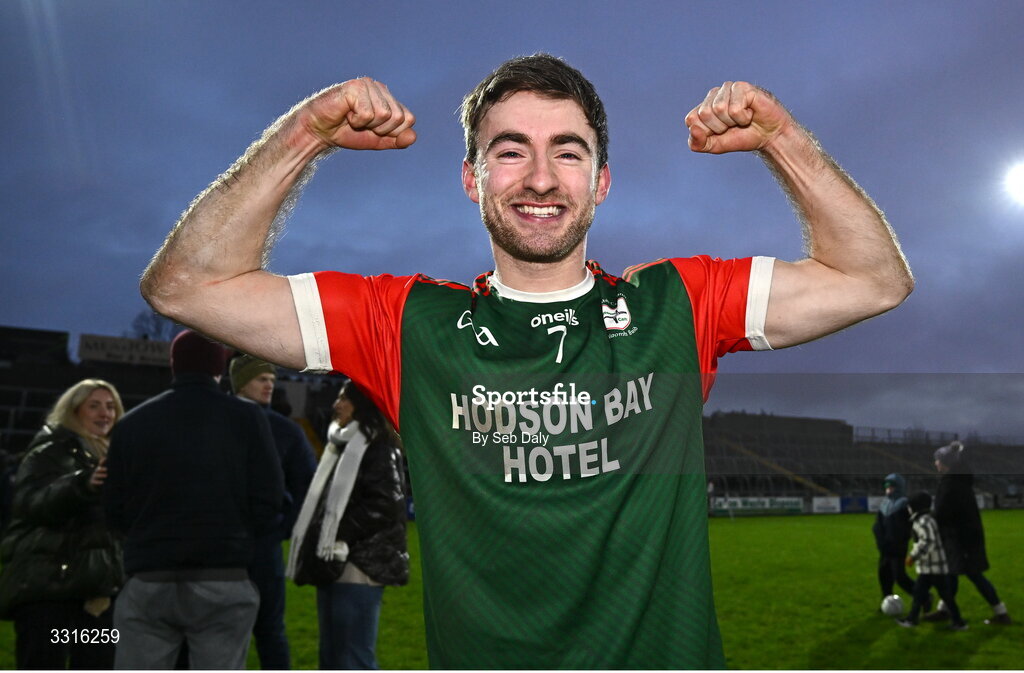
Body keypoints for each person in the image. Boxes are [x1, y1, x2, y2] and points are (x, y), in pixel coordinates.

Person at [138, 54, 914, 667]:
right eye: (510, 152)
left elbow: (874, 279)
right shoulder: (406, 323)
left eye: (567, 153)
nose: (541, 178)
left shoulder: (677, 304)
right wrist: (305, 133)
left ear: (600, 182)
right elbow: (186, 285)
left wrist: (782, 138)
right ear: (470, 178)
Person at [102, 330, 284, 669]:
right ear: (218, 368)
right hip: (222, 574)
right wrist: (239, 540)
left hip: (150, 574)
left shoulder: (132, 423)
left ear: (174, 366)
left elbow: (113, 508)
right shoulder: (246, 417)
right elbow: (270, 499)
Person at [0, 379, 125, 669]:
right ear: (73, 410)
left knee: (98, 665)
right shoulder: (47, 451)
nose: (105, 414)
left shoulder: (117, 454)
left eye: (110, 407)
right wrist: (83, 484)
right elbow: (31, 503)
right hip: (49, 591)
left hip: (98, 595)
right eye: (94, 406)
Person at [287, 380, 409, 669]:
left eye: (344, 399)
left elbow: (385, 505)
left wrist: (337, 533)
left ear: (362, 405)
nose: (336, 405)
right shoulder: (341, 444)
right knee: (332, 655)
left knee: (352, 657)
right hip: (334, 560)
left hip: (361, 564)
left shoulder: (379, 447)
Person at [229, 354, 317, 669]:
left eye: (271, 379)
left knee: (269, 630)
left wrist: (282, 527)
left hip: (263, 546)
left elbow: (307, 485)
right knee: (222, 633)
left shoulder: (286, 431)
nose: (269, 385)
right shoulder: (219, 421)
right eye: (261, 379)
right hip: (222, 546)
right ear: (240, 383)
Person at [923, 441, 1011, 625]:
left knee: (973, 575)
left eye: (937, 460)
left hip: (962, 539)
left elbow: (942, 512)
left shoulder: (950, 484)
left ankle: (1001, 613)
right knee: (952, 574)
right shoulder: (958, 481)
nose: (935, 463)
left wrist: (925, 517)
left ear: (945, 463)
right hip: (963, 537)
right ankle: (945, 609)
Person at [896, 491, 967, 630]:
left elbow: (928, 541)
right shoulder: (927, 518)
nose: (908, 509)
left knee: (943, 595)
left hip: (933, 566)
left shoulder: (923, 521)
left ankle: (958, 622)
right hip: (930, 566)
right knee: (920, 593)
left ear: (915, 506)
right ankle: (912, 619)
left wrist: (913, 556)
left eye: (910, 506)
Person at [872, 473, 917, 605]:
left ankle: (923, 596)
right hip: (885, 547)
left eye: (891, 486)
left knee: (899, 577)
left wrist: (899, 540)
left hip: (898, 547)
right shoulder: (884, 504)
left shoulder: (904, 504)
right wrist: (881, 541)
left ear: (898, 487)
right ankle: (887, 600)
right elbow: (877, 526)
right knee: (884, 574)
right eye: (886, 486)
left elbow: (908, 527)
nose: (888, 489)